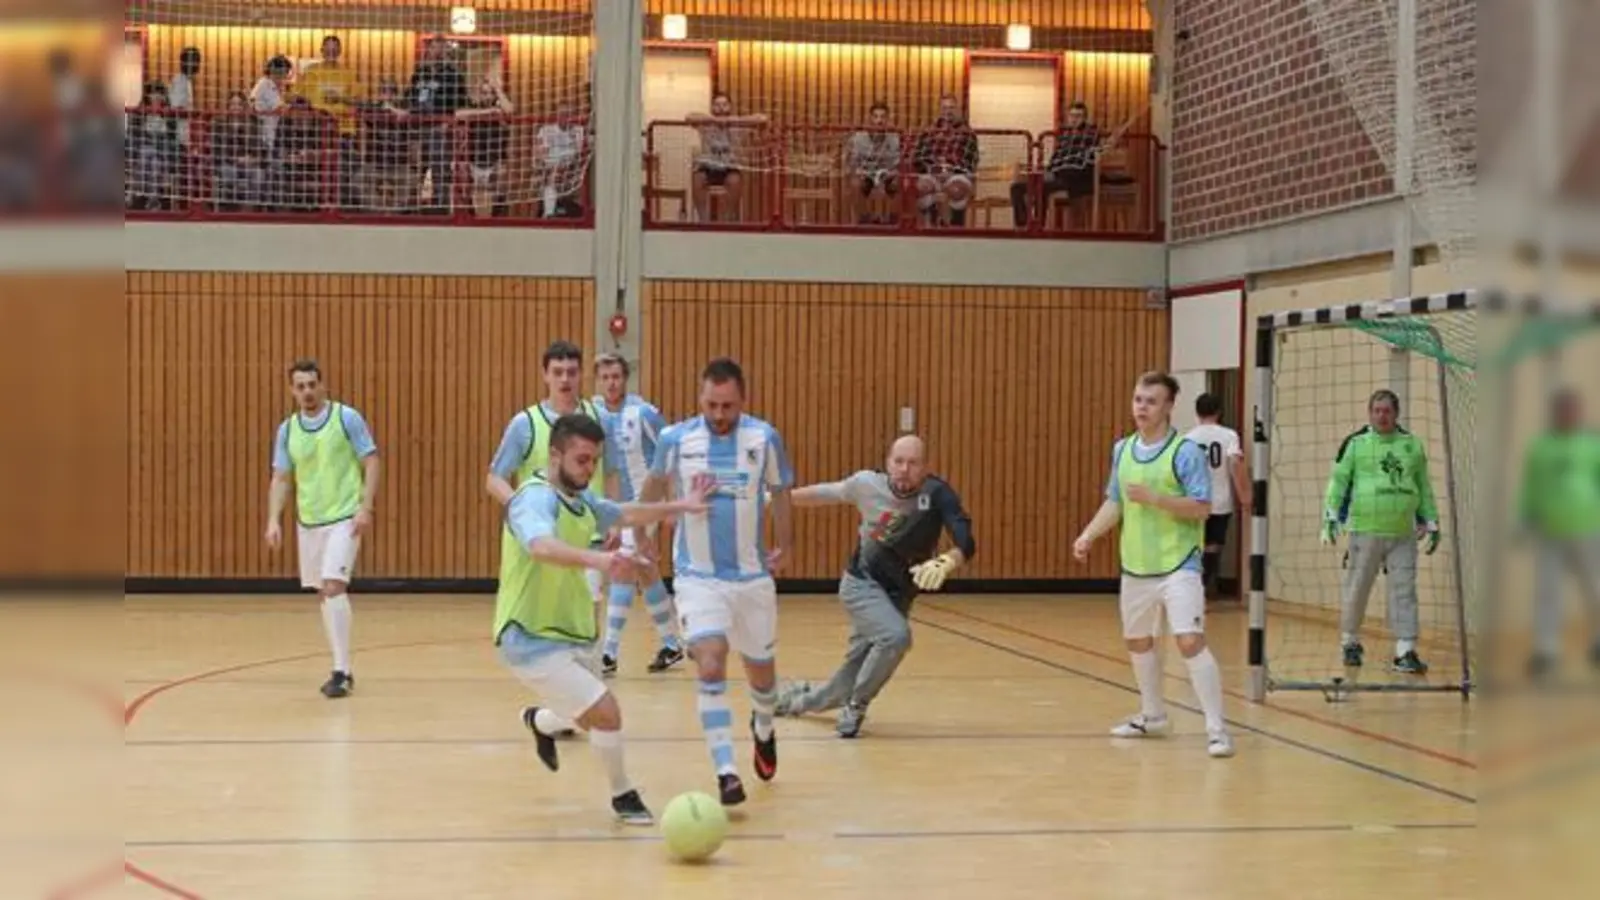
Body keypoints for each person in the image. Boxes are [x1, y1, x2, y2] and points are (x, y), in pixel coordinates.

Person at [502, 414, 714, 825]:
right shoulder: (533, 498)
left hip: (573, 632)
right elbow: (541, 547)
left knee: (583, 718)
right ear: (555, 455)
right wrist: (600, 559)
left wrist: (681, 506)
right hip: (529, 636)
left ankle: (539, 721)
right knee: (608, 712)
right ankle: (623, 796)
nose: (588, 469)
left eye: (594, 462)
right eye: (581, 460)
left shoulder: (580, 501)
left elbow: (624, 512)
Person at [635, 357, 794, 807]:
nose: (719, 414)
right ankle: (726, 771)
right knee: (709, 661)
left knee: (762, 675)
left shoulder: (764, 438)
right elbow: (651, 489)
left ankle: (763, 727)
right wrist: (640, 535)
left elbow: (781, 492)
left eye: (727, 405)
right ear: (699, 399)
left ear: (743, 400)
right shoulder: (675, 440)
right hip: (697, 577)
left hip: (752, 578)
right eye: (711, 404)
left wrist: (786, 544)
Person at [1073, 371, 1234, 759]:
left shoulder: (1185, 452)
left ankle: (1217, 729)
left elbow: (1202, 508)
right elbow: (1116, 501)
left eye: (1151, 401)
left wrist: (1156, 498)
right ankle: (1153, 715)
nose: (1142, 407)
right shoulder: (1123, 450)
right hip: (1136, 566)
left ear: (1168, 406)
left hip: (1179, 564)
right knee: (1138, 641)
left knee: (1189, 641)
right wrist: (1089, 534)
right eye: (1138, 399)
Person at [774, 434, 975, 737]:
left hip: (899, 595)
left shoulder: (937, 494)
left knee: (850, 675)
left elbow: (965, 538)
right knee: (896, 637)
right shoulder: (867, 484)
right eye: (899, 461)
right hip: (861, 583)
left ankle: (797, 700)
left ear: (925, 467)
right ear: (888, 463)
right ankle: (857, 705)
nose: (905, 469)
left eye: (913, 463)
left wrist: (949, 560)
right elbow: (826, 493)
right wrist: (775, 499)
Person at [487, 339, 611, 734]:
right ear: (545, 375)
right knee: (555, 634)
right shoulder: (526, 423)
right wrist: (519, 510)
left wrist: (615, 528)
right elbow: (494, 477)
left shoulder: (596, 417)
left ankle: (560, 718)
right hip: (546, 549)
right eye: (557, 372)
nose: (565, 379)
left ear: (581, 376)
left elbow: (610, 474)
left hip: (586, 539)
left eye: (572, 372)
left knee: (588, 630)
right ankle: (565, 716)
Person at [264, 359, 381, 699]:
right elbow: (282, 477)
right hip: (309, 520)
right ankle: (340, 663)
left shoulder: (347, 418)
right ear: (292, 391)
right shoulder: (288, 430)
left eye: (312, 384)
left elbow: (371, 459)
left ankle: (341, 671)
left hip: (344, 517)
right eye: (300, 387)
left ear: (322, 385)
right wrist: (274, 519)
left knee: (333, 586)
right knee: (323, 593)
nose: (307, 392)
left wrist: (365, 506)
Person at [1321, 389, 1440, 675]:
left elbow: (1424, 487)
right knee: (1358, 586)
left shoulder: (1412, 445)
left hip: (1403, 533)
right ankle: (1350, 641)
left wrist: (1432, 521)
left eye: (1387, 410)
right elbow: (1338, 481)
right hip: (1365, 529)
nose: (1381, 415)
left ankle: (1405, 650)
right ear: (1369, 413)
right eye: (1376, 410)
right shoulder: (1356, 444)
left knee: (1404, 590)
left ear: (1396, 413)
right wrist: (1330, 517)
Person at [591, 353, 685, 676]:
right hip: (615, 505)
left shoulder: (643, 413)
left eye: (616, 376)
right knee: (645, 570)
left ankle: (608, 653)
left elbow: (670, 455)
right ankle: (672, 644)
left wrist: (672, 501)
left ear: (625, 378)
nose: (611, 383)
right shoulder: (593, 413)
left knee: (623, 565)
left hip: (646, 504)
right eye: (604, 377)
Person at [1516, 388, 1600, 677]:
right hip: (1550, 530)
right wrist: (1525, 520)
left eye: (1572, 409)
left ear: (1578, 413)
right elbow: (1531, 486)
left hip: (1589, 528)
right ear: (1555, 413)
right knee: (1548, 591)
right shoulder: (1540, 447)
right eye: (1562, 409)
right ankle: (1546, 650)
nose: (1567, 414)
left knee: (1596, 587)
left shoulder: (1592, 444)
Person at [1183, 392, 1251, 598]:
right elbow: (1234, 464)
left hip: (1194, 501)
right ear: (1219, 412)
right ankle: (1202, 590)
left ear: (1197, 413)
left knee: (1194, 546)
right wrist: (1245, 496)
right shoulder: (1229, 435)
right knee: (1213, 546)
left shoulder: (1187, 438)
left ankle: (1192, 591)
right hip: (1220, 501)